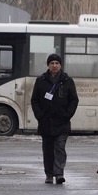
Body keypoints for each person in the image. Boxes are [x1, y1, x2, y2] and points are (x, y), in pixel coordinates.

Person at [30, 53, 79, 185]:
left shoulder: (67, 81)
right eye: (52, 63)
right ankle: (49, 174)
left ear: (60, 65)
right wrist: (39, 115)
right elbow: (34, 100)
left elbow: (74, 100)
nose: (54, 65)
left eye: (57, 63)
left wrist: (67, 114)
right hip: (45, 122)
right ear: (48, 65)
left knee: (59, 148)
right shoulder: (41, 80)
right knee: (47, 150)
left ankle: (59, 174)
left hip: (62, 123)